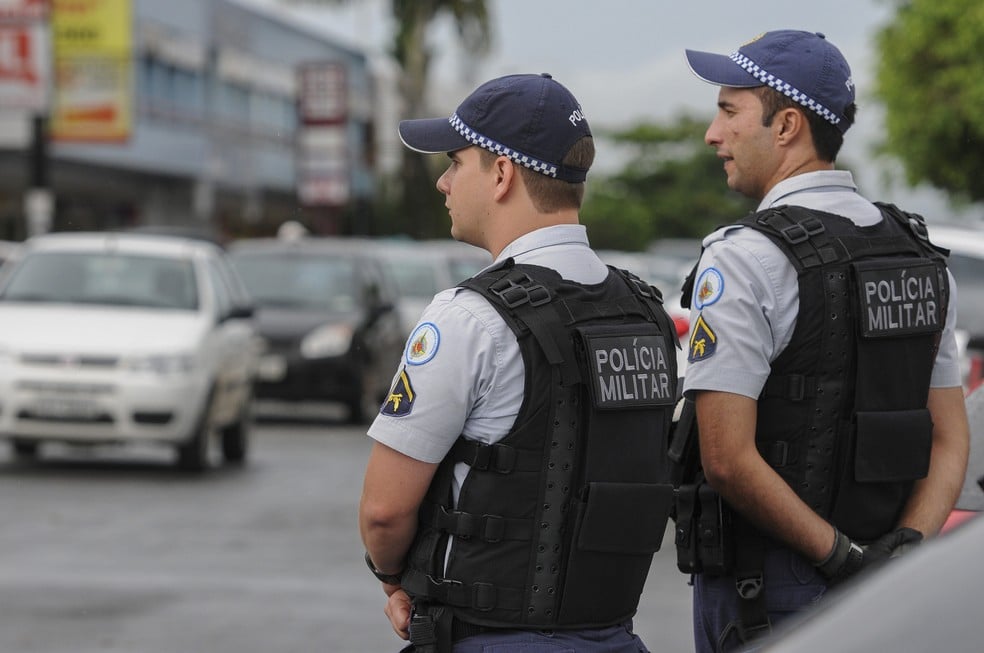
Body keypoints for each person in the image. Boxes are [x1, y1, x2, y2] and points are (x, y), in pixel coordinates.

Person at [358, 73, 680, 652]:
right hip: (614, 636)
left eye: (456, 162)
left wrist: (392, 578)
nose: (443, 181)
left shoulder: (469, 318)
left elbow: (384, 511)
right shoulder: (646, 313)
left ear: (501, 173)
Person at [674, 29, 971, 652]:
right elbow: (950, 438)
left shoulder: (746, 258)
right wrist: (901, 556)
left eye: (730, 111)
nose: (712, 134)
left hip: (774, 587)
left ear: (785, 126)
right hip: (889, 582)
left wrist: (842, 560)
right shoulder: (920, 256)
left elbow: (726, 459)